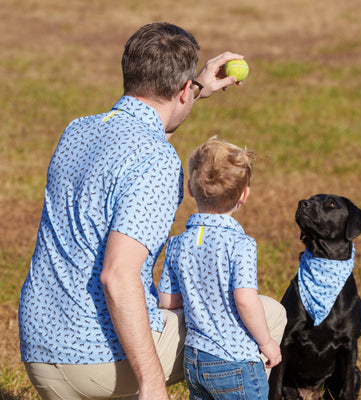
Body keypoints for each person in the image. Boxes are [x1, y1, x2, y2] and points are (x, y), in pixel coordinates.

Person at [18, 22, 286, 400]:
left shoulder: (77, 129)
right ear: (180, 90)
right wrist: (152, 383)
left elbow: (140, 137)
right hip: (95, 360)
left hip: (40, 353)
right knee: (268, 313)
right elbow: (117, 275)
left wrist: (195, 90)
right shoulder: (158, 161)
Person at [158, 137, 285, 399]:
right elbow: (246, 300)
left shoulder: (178, 243)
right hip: (234, 361)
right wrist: (266, 342)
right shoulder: (241, 245)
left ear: (191, 190)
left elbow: (168, 300)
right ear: (244, 195)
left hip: (195, 361)